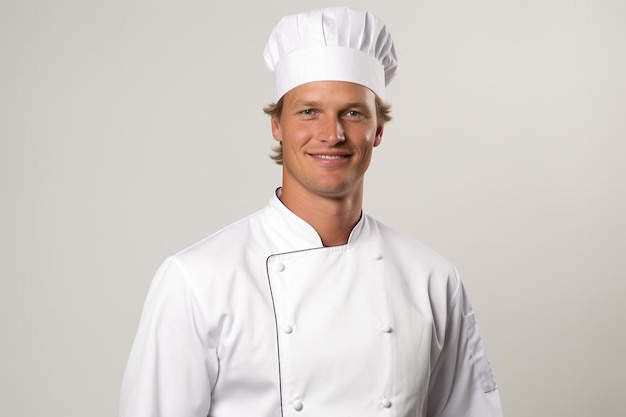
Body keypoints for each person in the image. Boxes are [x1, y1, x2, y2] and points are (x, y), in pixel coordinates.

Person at [119, 6, 503, 417]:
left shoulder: (432, 279)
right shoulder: (197, 280)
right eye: (309, 111)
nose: (332, 134)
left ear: (377, 130)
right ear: (277, 126)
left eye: (352, 113)